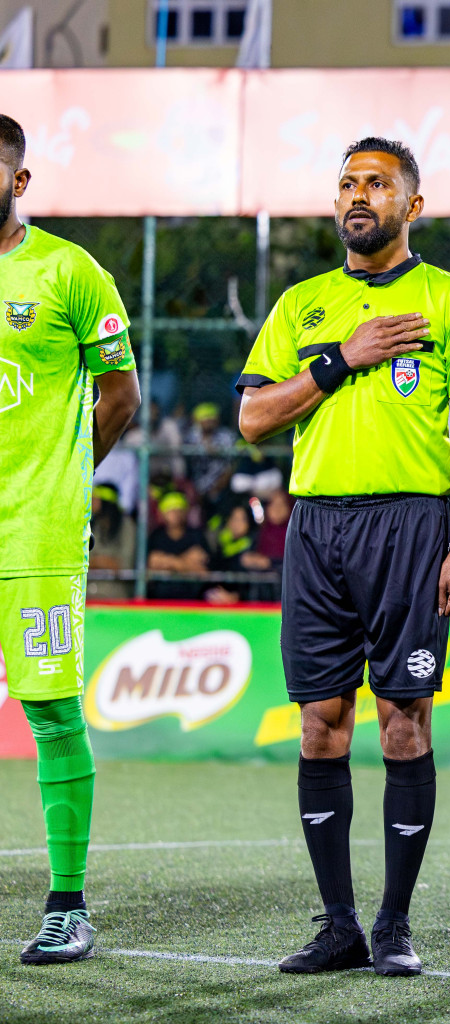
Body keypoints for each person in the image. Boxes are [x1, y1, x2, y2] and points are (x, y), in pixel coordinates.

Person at [235, 137, 450, 977]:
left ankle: (393, 923)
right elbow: (253, 418)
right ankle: (339, 922)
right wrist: (341, 359)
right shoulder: (303, 304)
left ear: (411, 207)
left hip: (411, 529)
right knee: (320, 726)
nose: (358, 195)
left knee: (403, 721)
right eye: (348, 182)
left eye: (378, 184)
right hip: (318, 529)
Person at [0, 113, 141, 964]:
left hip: (38, 531)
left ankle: (67, 905)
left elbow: (121, 395)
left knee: (50, 712)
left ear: (19, 181)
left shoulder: (69, 272)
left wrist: (59, 474)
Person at [145, 491, 210, 600]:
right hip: (160, 599)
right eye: (170, 510)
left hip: (192, 599)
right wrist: (186, 562)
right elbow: (151, 566)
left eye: (179, 510)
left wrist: (166, 562)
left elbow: (203, 572)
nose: (175, 514)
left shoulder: (196, 535)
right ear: (162, 513)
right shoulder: (156, 536)